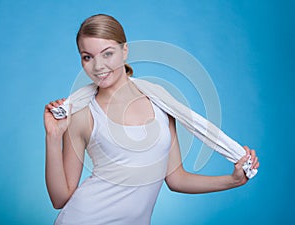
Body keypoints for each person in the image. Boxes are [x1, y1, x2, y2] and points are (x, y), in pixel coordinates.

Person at [44, 14, 260, 225]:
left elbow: (176, 179)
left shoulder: (160, 101)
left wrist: (232, 180)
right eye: (87, 57)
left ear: (124, 50)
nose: (98, 66)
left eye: (107, 53)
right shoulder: (82, 113)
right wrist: (53, 136)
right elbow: (60, 198)